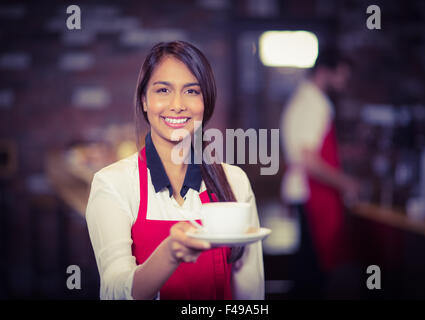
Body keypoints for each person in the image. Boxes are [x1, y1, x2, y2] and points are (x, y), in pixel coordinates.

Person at [85, 41, 264, 300]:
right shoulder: (112, 184)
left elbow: (250, 293)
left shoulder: (234, 181)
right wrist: (170, 252)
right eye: (163, 90)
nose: (177, 104)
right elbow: (115, 291)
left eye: (192, 91)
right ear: (144, 101)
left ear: (206, 102)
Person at [280, 48, 359, 298]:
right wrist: (346, 182)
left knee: (307, 270)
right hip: (312, 193)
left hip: (305, 192)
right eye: (341, 76)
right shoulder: (315, 104)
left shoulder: (303, 99)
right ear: (325, 72)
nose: (343, 83)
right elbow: (308, 159)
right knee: (311, 275)